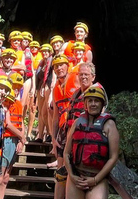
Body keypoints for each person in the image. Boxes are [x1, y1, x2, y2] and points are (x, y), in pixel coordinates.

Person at [64, 86, 119, 199]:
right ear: (85, 104)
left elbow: (113, 157)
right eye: (90, 100)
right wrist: (71, 175)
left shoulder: (109, 125)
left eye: (97, 101)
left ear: (102, 104)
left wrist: (95, 180)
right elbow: (66, 153)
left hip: (97, 178)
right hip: (76, 176)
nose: (93, 104)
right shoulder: (77, 122)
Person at [50, 55, 80, 199]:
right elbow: (55, 116)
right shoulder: (56, 88)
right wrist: (53, 138)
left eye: (62, 65)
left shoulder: (76, 77)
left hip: (76, 128)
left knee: (73, 168)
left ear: (67, 66)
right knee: (61, 171)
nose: (59, 68)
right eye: (56, 66)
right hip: (63, 129)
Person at [0, 89, 25, 199]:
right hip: (6, 141)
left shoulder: (18, 104)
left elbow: (21, 122)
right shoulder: (2, 107)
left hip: (14, 141)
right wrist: (22, 137)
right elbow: (8, 124)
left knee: (5, 177)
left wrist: (20, 140)